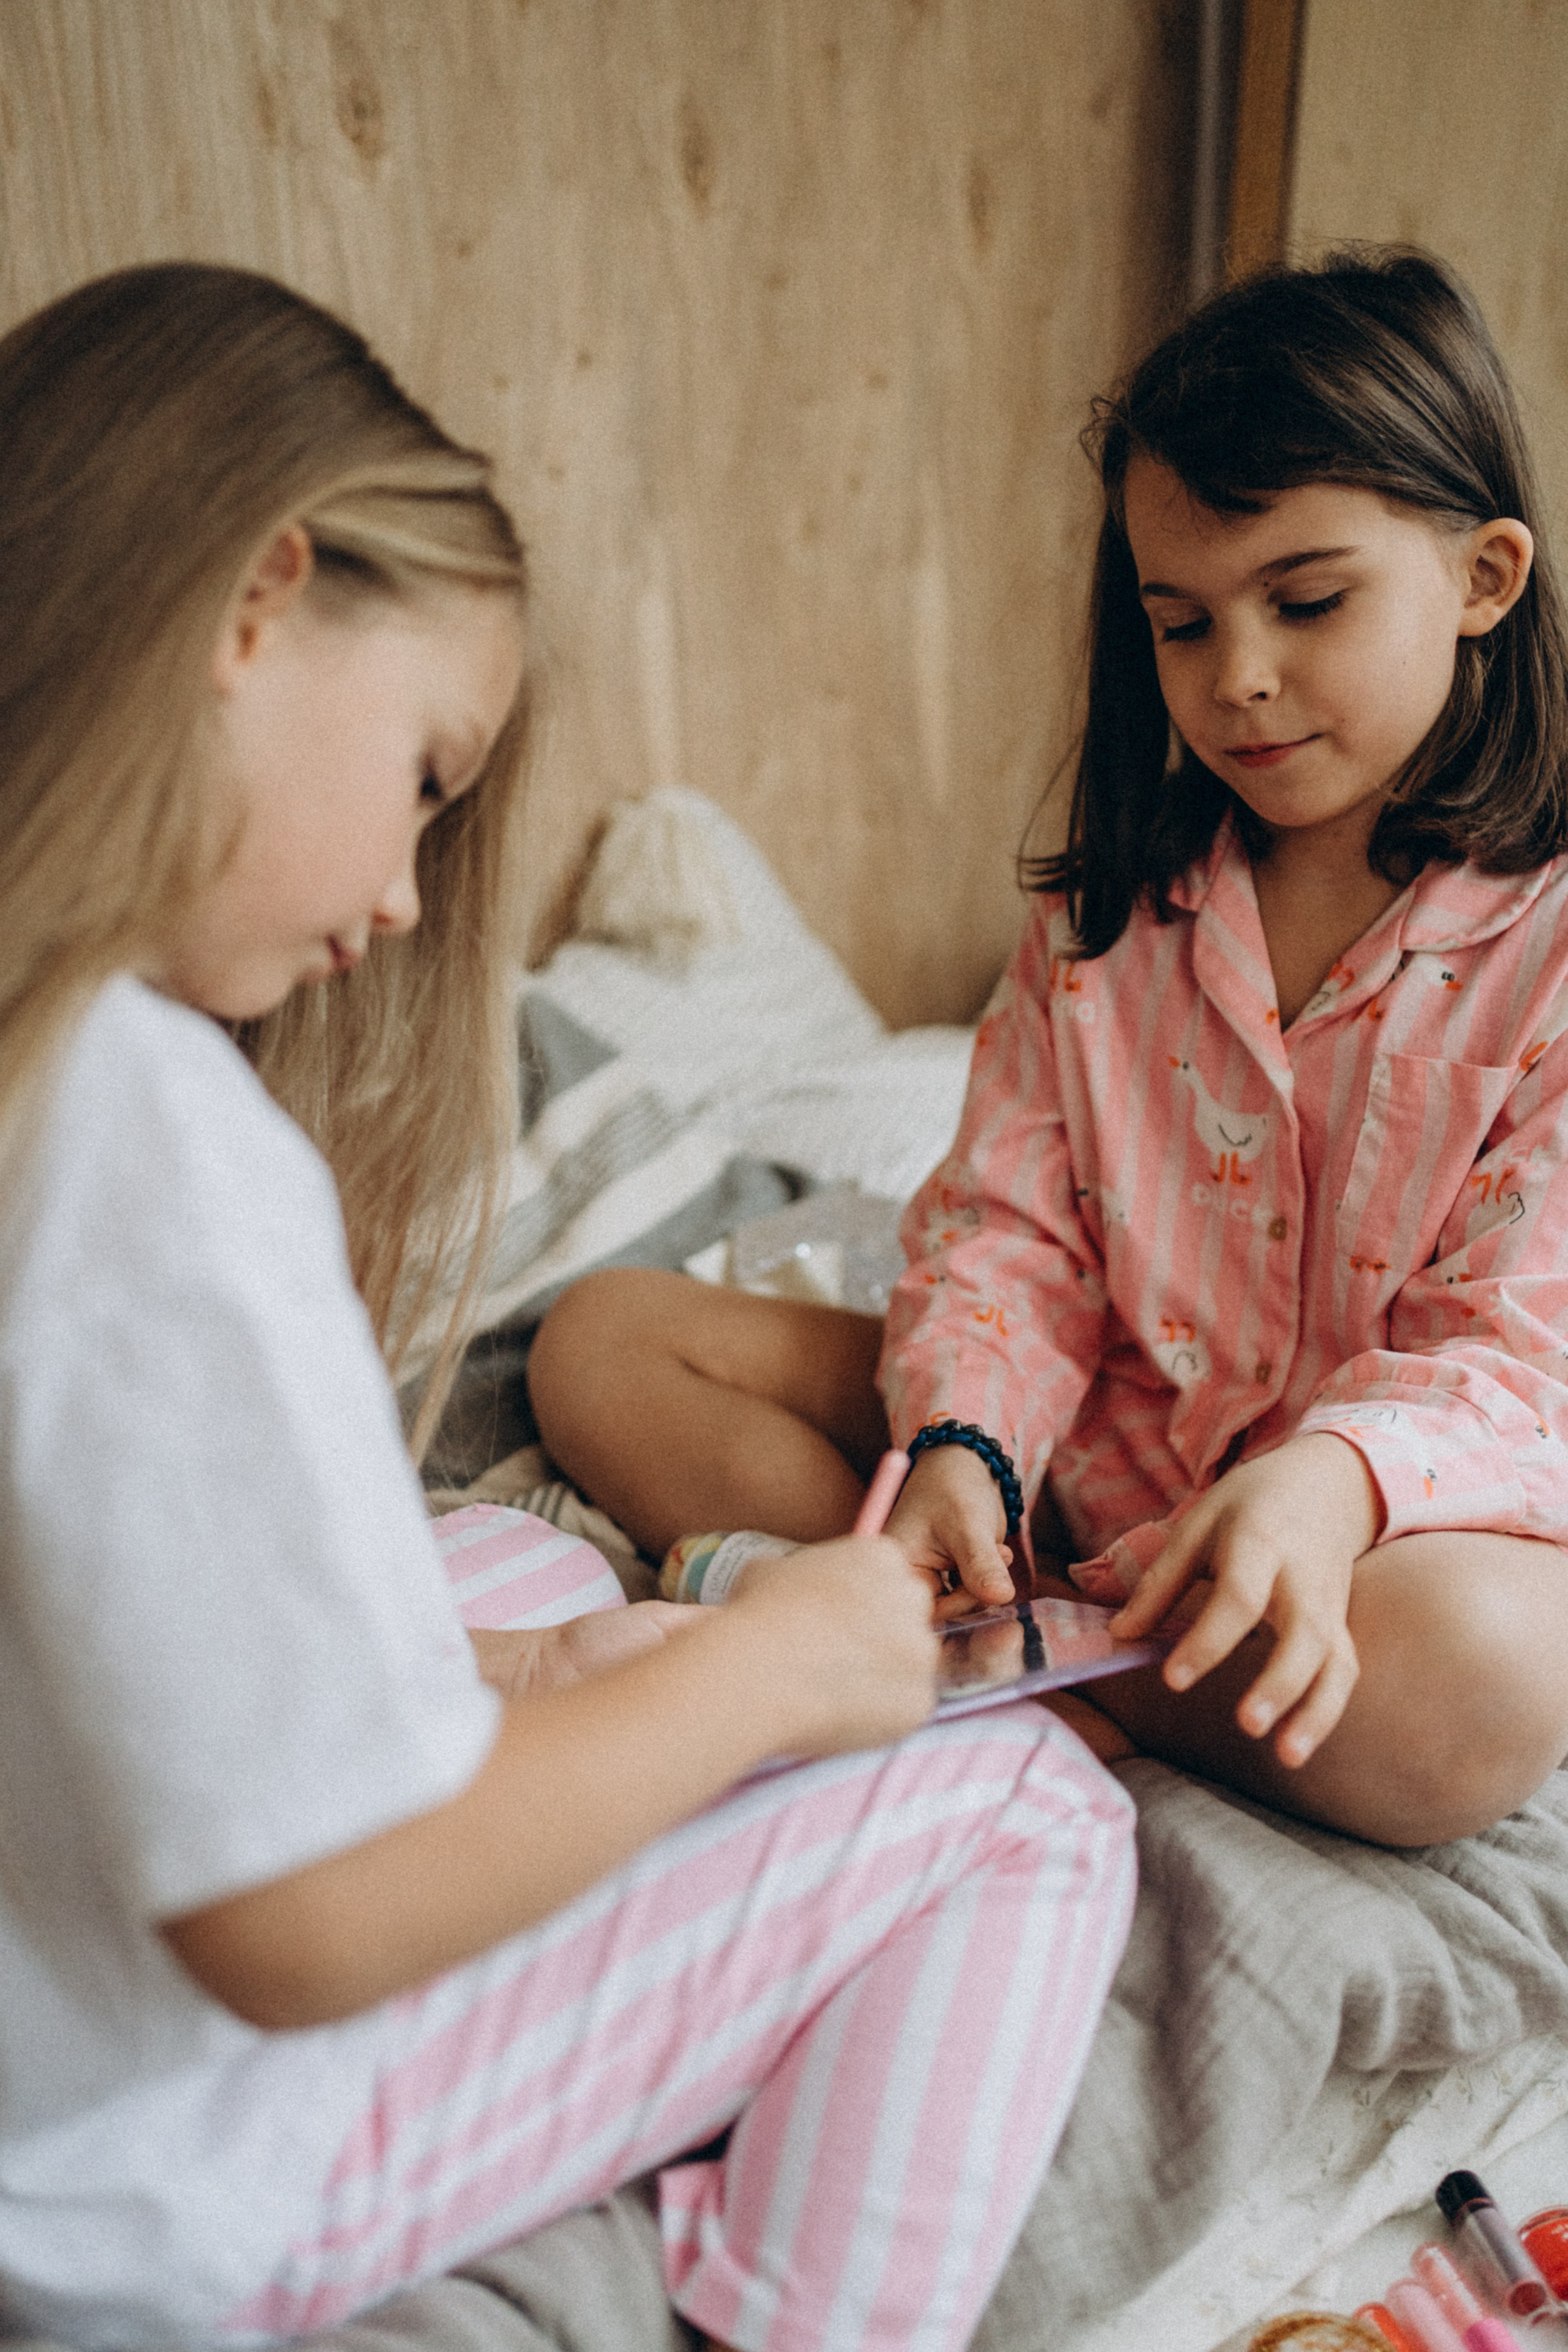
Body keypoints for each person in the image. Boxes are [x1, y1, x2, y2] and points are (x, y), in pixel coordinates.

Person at [0, 263, 1136, 2349]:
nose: (415, 898)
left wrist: (556, 1668)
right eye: (426, 776)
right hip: (158, 2165)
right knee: (1024, 1802)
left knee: (520, 1550)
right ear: (254, 605)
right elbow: (296, 1921)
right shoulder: (147, 1145)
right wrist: (761, 1680)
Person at [533, 248, 1568, 1850]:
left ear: (1483, 577)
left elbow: (1523, 1354)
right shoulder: (1115, 917)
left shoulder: (1548, 943)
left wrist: (1332, 1481)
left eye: (1307, 602)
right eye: (1178, 620)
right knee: (600, 1341)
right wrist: (962, 1440)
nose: (1236, 677)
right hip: (1092, 1460)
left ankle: (984, 1663)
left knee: (1491, 1676)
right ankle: (1015, 1644)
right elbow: (1009, 1230)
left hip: (1367, 1528)